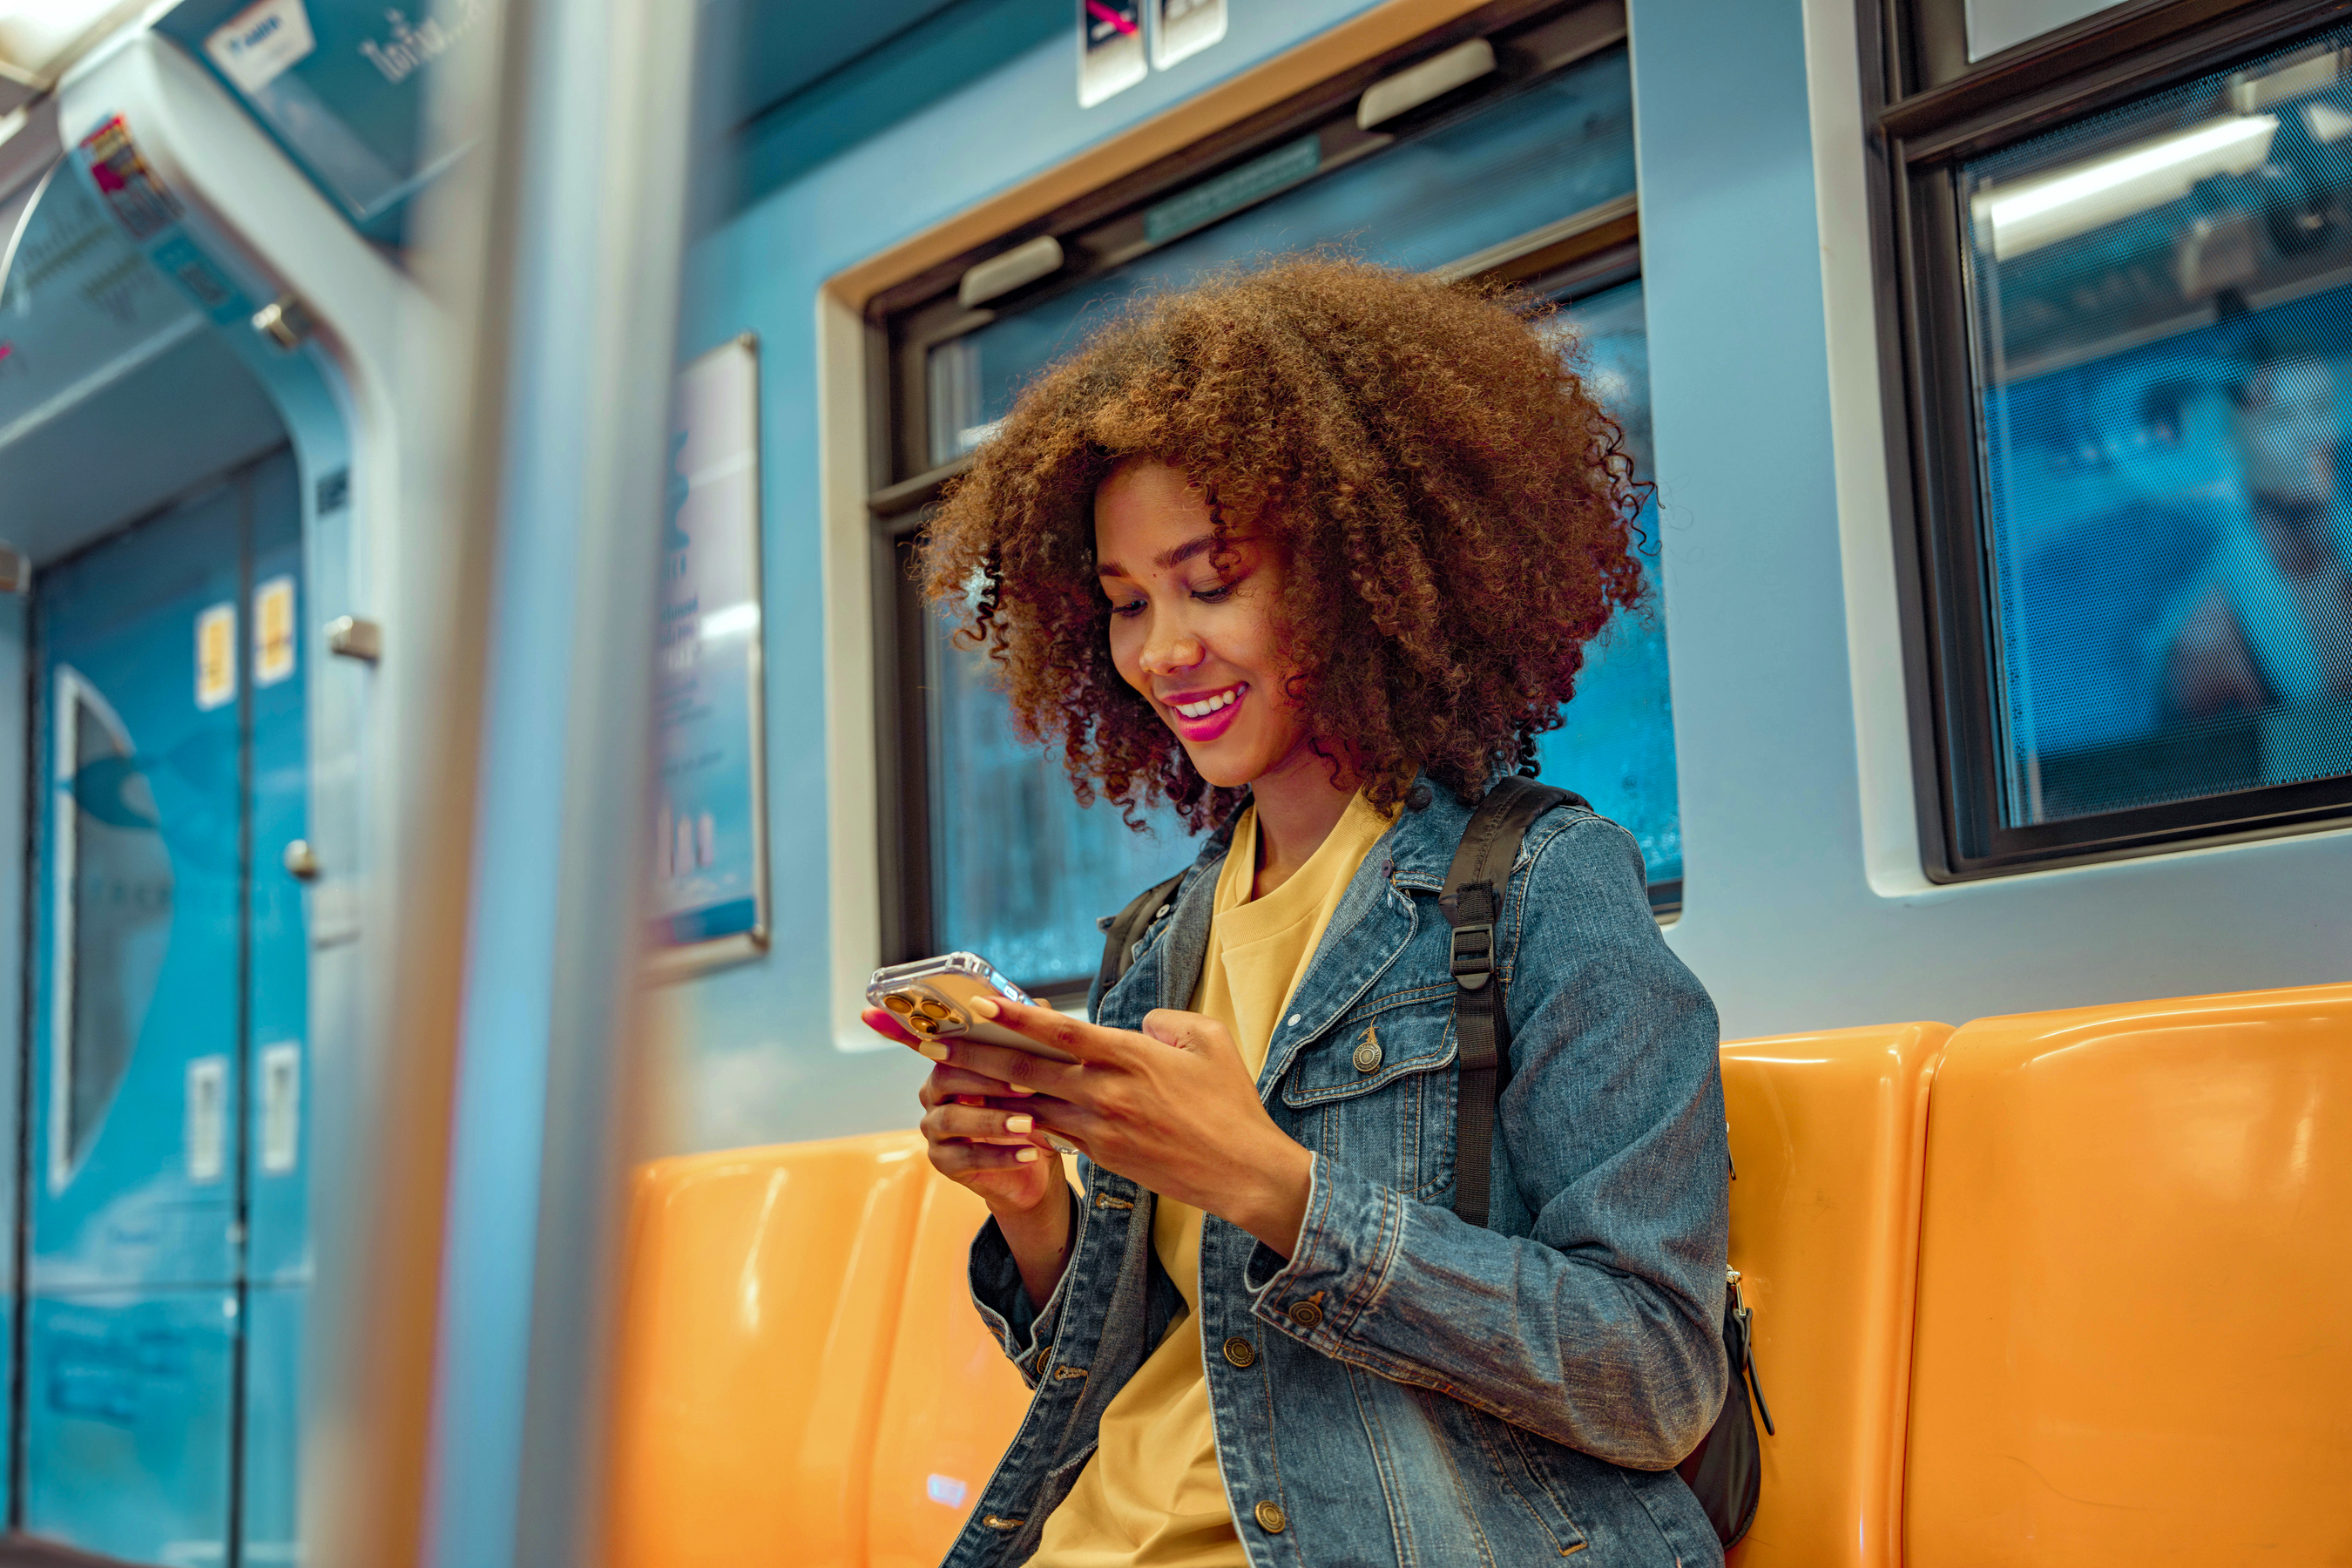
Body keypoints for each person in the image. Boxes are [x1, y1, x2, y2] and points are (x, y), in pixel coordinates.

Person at [862, 258, 1730, 1567]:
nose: (1162, 653)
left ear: (1361, 572)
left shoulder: (1543, 888)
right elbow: (1153, 1376)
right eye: (1126, 604)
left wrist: (1275, 1188)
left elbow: (1654, 1377)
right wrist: (1034, 1209)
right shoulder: (1158, 941)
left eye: (1212, 585)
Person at [2159, 336, 2352, 721]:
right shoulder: (2209, 618)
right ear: (2234, 442)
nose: (2310, 437)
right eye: (2280, 419)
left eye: (2319, 409)